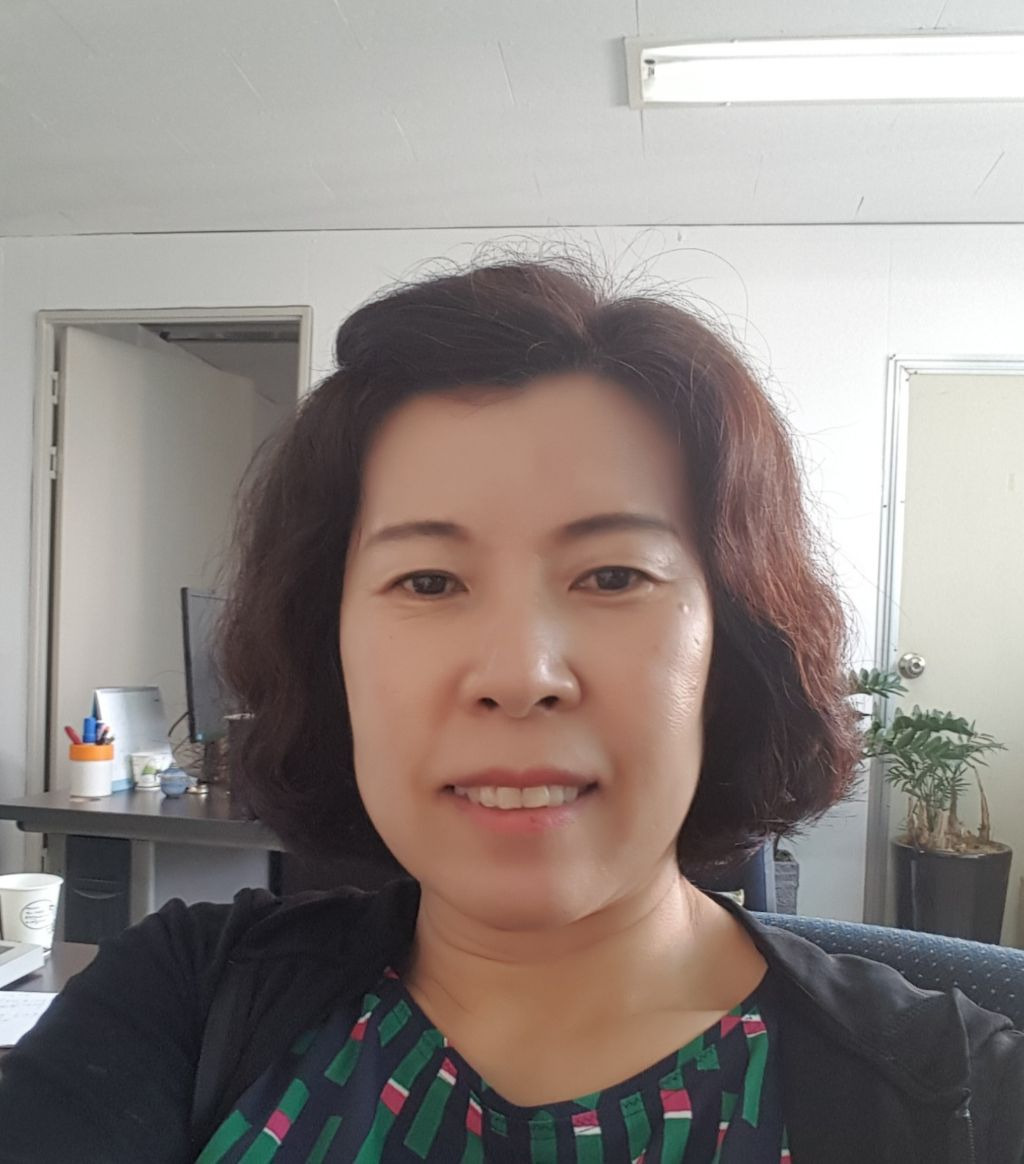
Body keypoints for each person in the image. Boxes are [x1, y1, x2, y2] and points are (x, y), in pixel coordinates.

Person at [1, 257, 1021, 1163]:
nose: (520, 673)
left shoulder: (966, 1097)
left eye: (613, 576)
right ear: (329, 647)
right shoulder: (186, 998)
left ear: (732, 645)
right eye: (428, 582)